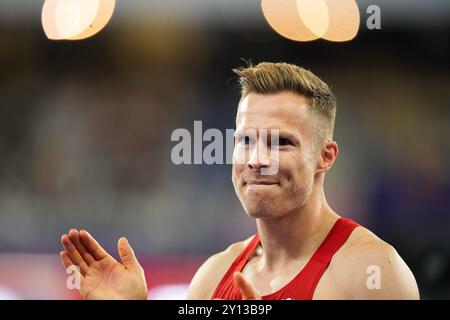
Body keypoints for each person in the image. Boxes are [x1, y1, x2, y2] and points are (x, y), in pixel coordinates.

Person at [60, 62, 420, 300]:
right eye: (246, 140)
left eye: (281, 142)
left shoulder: (373, 275)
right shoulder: (211, 278)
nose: (257, 160)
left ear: (325, 157)